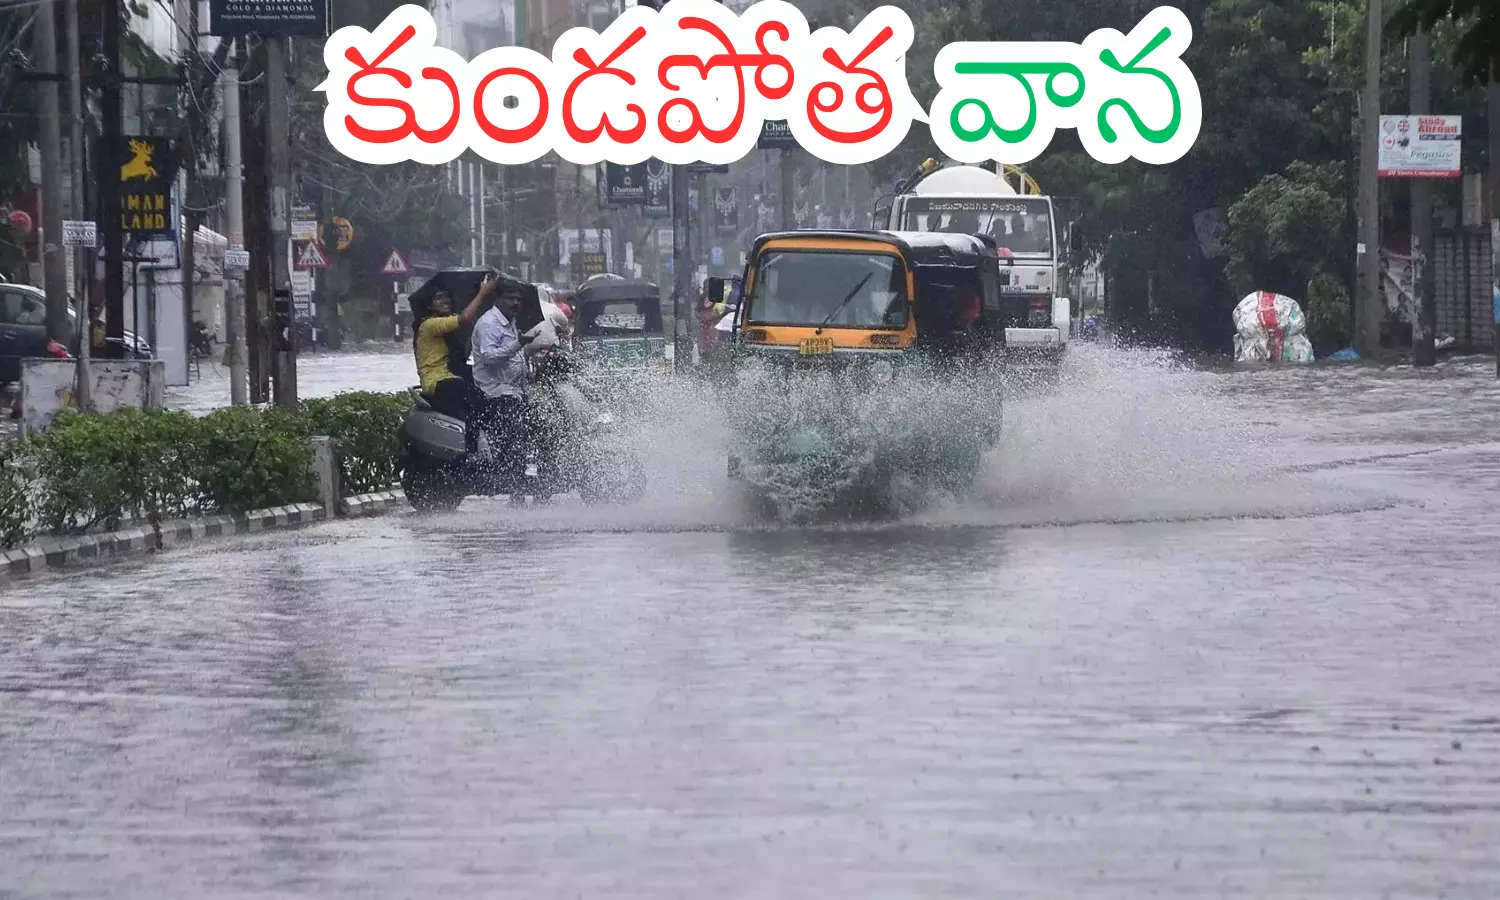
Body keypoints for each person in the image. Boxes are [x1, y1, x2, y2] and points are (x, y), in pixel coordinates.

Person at [471, 283, 541, 501]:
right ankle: (514, 488)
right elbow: (490, 357)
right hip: (496, 393)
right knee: (514, 439)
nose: (515, 303)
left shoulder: (510, 322)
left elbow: (514, 356)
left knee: (539, 426)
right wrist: (518, 344)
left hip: (514, 390)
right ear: (497, 299)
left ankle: (528, 481)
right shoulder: (489, 324)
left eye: (518, 299)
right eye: (510, 298)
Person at [413, 277, 494, 420]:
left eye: (446, 297)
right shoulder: (429, 325)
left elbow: (464, 354)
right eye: (438, 298)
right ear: (430, 306)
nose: (445, 300)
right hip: (437, 381)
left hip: (453, 375)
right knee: (466, 394)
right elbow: (464, 318)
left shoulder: (450, 327)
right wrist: (482, 293)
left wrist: (471, 332)